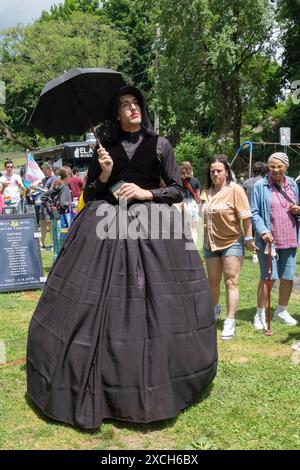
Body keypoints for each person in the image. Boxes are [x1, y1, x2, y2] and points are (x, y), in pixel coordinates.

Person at [27, 85, 217, 430]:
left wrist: (147, 192)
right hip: (104, 230)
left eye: (136, 103)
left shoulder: (160, 145)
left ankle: (162, 375)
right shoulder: (104, 149)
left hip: (153, 229)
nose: (132, 108)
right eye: (125, 105)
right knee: (93, 303)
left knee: (156, 304)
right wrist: (102, 172)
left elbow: (176, 188)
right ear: (116, 114)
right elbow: (90, 194)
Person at [200, 155, 256, 340]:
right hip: (210, 243)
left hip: (232, 241)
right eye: (212, 171)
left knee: (231, 281)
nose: (215, 174)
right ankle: (214, 311)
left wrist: (248, 238)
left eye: (219, 171)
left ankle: (230, 321)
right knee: (212, 281)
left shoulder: (235, 190)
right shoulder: (206, 192)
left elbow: (246, 216)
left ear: (226, 172)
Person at [251, 152, 299, 330]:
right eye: (272, 166)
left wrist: (297, 209)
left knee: (287, 277)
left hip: (290, 237)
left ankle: (281, 310)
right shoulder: (260, 185)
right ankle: (260, 313)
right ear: (268, 167)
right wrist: (262, 231)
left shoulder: (293, 184)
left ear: (286, 167)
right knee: (268, 277)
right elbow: (254, 212)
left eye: (279, 166)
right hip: (269, 240)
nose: (276, 170)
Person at [41, 166, 72, 261]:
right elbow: (63, 203)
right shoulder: (65, 187)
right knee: (62, 243)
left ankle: (55, 265)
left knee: (56, 245)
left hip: (54, 218)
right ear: (68, 175)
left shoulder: (56, 185)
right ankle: (60, 267)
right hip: (62, 219)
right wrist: (72, 203)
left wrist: (50, 211)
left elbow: (43, 197)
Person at [244, 162, 268, 264]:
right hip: (259, 211)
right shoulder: (264, 182)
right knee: (260, 233)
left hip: (248, 211)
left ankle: (255, 254)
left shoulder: (246, 182)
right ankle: (257, 254)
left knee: (251, 233)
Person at [31, 162, 58, 249]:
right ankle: (41, 243)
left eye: (44, 169)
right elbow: (37, 182)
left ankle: (53, 243)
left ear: (49, 169)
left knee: (50, 224)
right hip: (43, 204)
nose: (43, 171)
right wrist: (34, 185)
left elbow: (50, 191)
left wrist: (38, 188)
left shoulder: (54, 179)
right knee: (42, 223)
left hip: (49, 204)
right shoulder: (46, 178)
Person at [180, 161, 201, 244]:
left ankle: (183, 244)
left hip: (181, 203)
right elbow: (198, 197)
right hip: (192, 204)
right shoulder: (196, 181)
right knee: (193, 226)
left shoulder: (178, 181)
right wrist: (199, 207)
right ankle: (193, 245)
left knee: (183, 226)